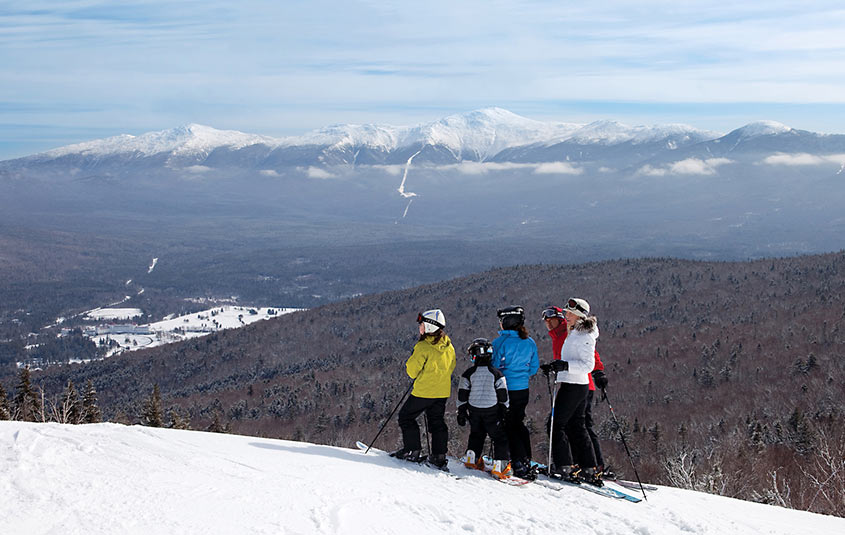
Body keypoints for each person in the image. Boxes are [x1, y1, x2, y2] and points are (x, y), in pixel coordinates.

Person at [541, 305, 612, 478]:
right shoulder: (568, 333)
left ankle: (571, 464)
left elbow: (589, 358)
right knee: (576, 425)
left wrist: (598, 371)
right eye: (547, 322)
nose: (550, 325)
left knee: (567, 424)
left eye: (554, 321)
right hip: (571, 381)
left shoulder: (576, 334)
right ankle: (586, 465)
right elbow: (567, 358)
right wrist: (555, 366)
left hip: (579, 384)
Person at [390, 309, 456, 470]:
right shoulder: (448, 345)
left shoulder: (423, 347)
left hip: (423, 392)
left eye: (422, 324)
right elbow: (451, 366)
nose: (419, 326)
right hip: (441, 392)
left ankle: (412, 450)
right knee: (437, 423)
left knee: (406, 417)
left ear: (429, 327)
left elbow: (412, 371)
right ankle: (439, 456)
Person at [491, 306, 539, 479]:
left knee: (508, 425)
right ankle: (526, 458)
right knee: (518, 422)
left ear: (506, 321)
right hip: (523, 389)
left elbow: (494, 367)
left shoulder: (499, 343)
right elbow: (533, 367)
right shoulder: (529, 342)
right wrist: (522, 375)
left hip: (506, 389)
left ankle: (517, 461)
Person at [456, 338, 512, 479]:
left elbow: (462, 395)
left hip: (474, 410)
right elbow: (503, 395)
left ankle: (472, 458)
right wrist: (505, 410)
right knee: (499, 438)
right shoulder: (496, 373)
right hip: (492, 411)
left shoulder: (468, 373)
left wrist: (461, 412)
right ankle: (501, 466)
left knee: (476, 434)